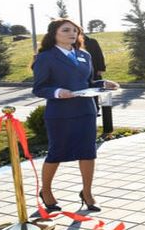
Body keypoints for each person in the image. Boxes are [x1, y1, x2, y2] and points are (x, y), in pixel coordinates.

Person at [32, 19, 120, 212]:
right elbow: (39, 88)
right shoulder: (46, 57)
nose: (72, 34)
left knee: (88, 153)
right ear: (54, 34)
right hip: (60, 114)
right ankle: (46, 192)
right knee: (56, 153)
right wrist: (57, 92)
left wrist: (104, 83)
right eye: (66, 30)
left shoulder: (84, 55)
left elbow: (88, 83)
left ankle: (87, 194)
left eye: (75, 30)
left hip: (86, 111)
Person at [82, 34, 106, 114]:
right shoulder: (72, 43)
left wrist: (101, 68)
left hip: (94, 70)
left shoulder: (92, 41)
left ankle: (96, 109)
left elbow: (99, 54)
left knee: (95, 90)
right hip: (82, 71)